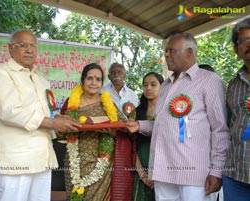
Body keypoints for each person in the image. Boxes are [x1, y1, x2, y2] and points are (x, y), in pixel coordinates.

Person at [126, 33, 229, 201]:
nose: (166, 55)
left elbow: (220, 129)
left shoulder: (209, 80)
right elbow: (163, 124)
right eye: (166, 51)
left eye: (171, 51)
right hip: (163, 171)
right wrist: (139, 125)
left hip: (195, 175)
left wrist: (216, 171)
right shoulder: (166, 84)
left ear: (189, 53)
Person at [0, 30, 80, 201]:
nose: (29, 50)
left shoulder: (41, 80)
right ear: (10, 49)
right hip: (13, 163)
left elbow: (45, 114)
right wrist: (52, 123)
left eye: (33, 46)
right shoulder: (2, 73)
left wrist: (58, 120)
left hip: (42, 160)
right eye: (23, 45)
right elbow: (10, 111)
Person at [60, 63, 127, 200]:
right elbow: (60, 132)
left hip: (102, 161)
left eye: (98, 80)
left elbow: (123, 127)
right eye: (90, 78)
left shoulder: (107, 103)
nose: (93, 83)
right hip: (75, 162)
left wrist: (112, 132)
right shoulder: (71, 102)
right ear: (83, 80)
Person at [223, 18, 250, 201]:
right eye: (245, 40)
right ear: (236, 49)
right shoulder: (233, 84)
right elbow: (228, 124)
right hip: (235, 175)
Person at [130, 72, 164, 201]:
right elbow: (131, 146)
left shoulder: (168, 112)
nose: (148, 88)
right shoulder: (135, 114)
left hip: (163, 171)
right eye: (145, 85)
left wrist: (157, 174)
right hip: (140, 169)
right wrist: (142, 174)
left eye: (153, 84)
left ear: (163, 87)